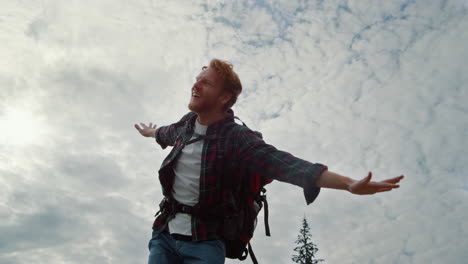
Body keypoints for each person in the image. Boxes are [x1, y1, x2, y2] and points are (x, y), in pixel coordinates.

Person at [135, 59, 404, 264]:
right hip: (164, 236)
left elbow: (287, 165)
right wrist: (150, 132)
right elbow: (163, 133)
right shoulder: (184, 127)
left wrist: (348, 184)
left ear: (224, 97)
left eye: (205, 82)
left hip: (205, 243)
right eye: (197, 79)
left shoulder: (237, 139)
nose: (195, 85)